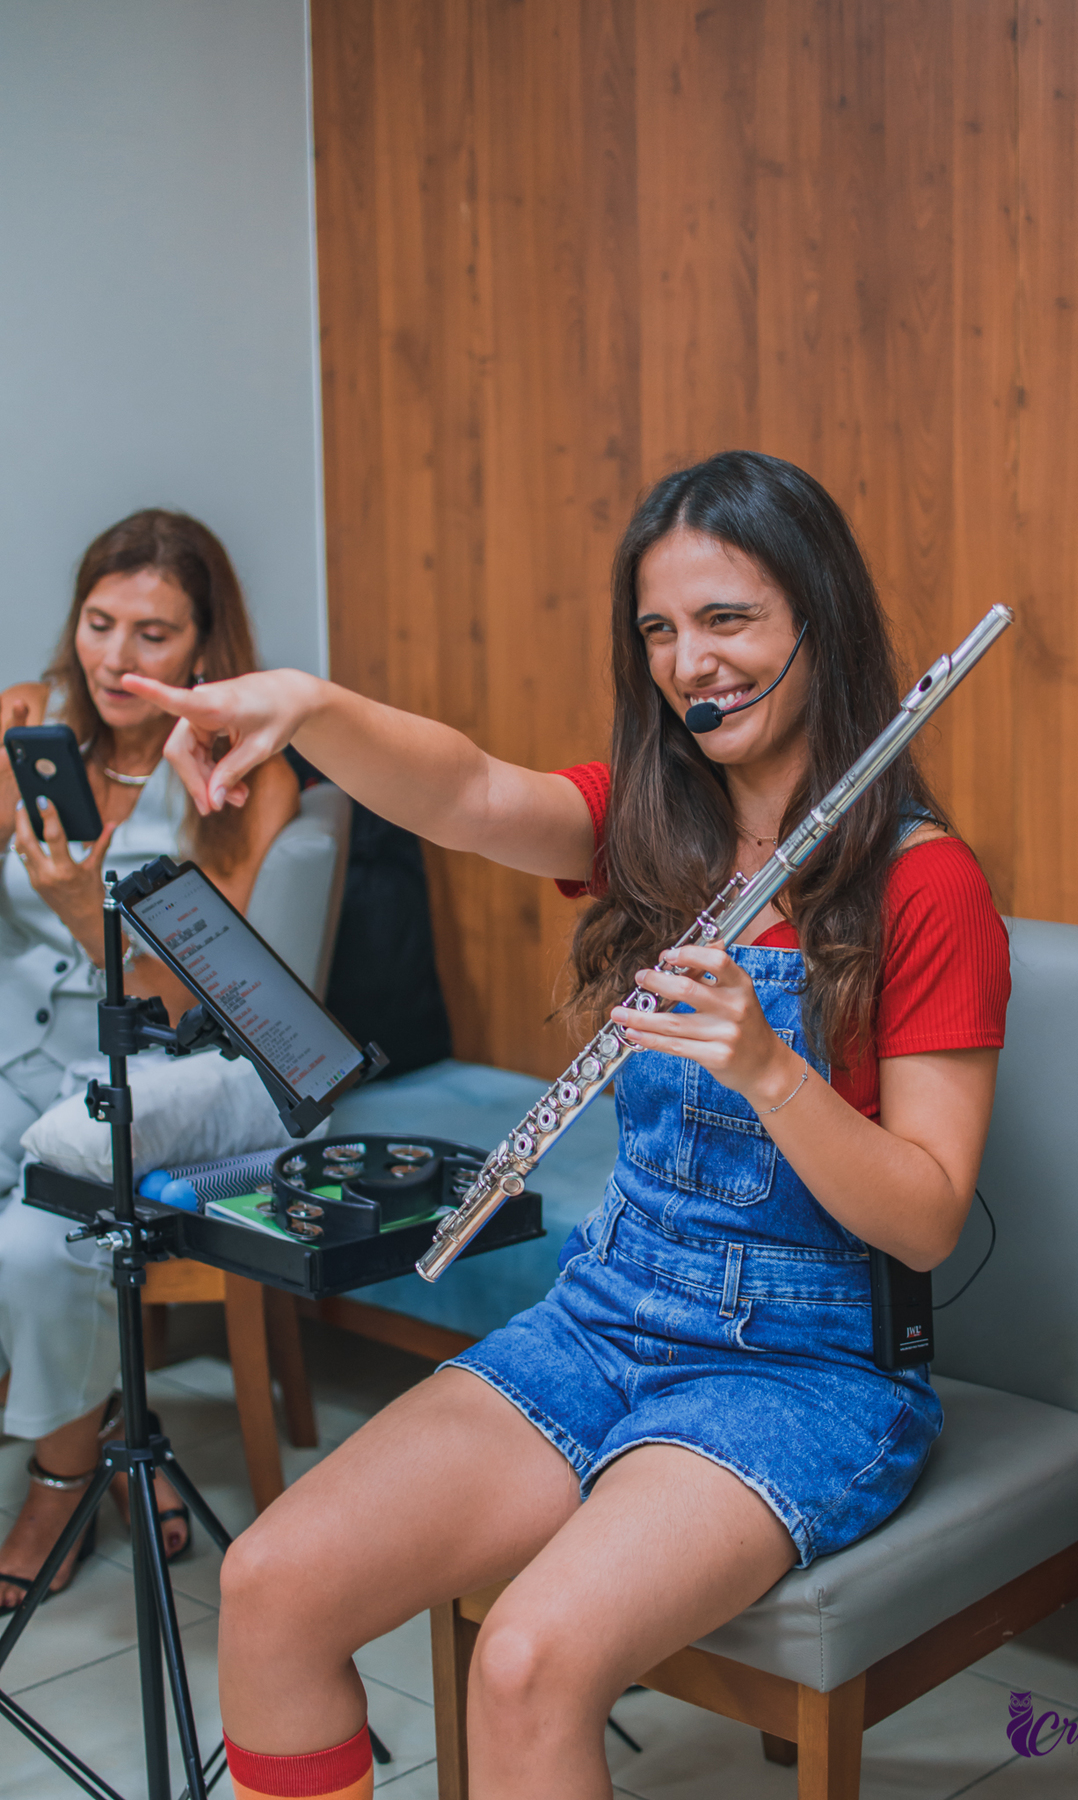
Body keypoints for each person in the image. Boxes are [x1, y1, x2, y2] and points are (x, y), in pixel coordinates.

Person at [131, 454, 1010, 1800]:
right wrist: (309, 708)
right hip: (609, 1314)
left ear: (815, 626)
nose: (688, 662)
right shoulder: (657, 828)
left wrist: (773, 1072)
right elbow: (471, 792)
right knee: (273, 1584)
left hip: (804, 1369)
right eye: (660, 631)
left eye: (728, 620)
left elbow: (929, 1213)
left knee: (527, 1659)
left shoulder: (926, 887)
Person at [0, 509, 299, 1613]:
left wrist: (87, 911)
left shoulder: (240, 781)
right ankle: (119, 1417)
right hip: (16, 1048)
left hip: (161, 1078)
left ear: (207, 651)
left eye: (154, 634)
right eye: (98, 623)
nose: (116, 659)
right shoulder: (31, 740)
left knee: (34, 1249)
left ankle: (59, 1481)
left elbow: (203, 1003)